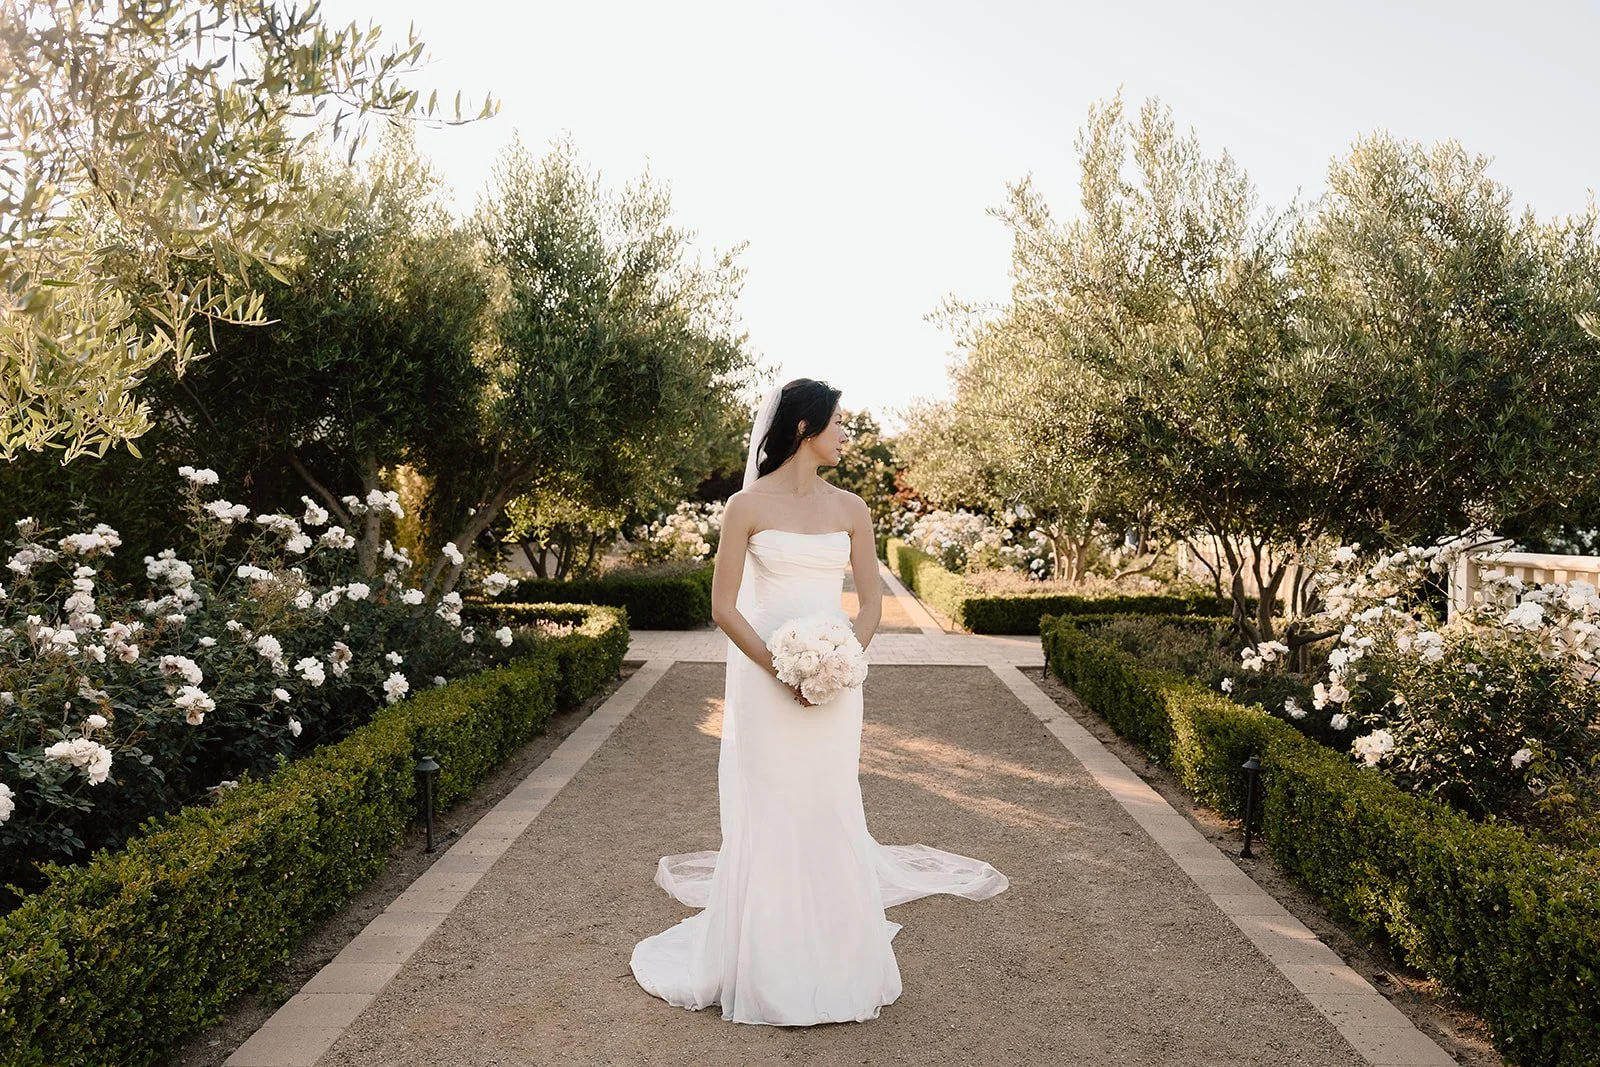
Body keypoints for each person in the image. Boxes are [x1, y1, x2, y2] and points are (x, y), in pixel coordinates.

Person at [629, 377, 1009, 1026]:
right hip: (765, 681)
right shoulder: (745, 506)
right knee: (773, 808)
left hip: (836, 686)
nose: (846, 434)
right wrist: (782, 670)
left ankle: (835, 959)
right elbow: (724, 607)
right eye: (838, 423)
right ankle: (770, 969)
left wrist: (841, 663)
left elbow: (870, 604)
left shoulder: (852, 509)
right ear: (804, 428)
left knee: (830, 804)